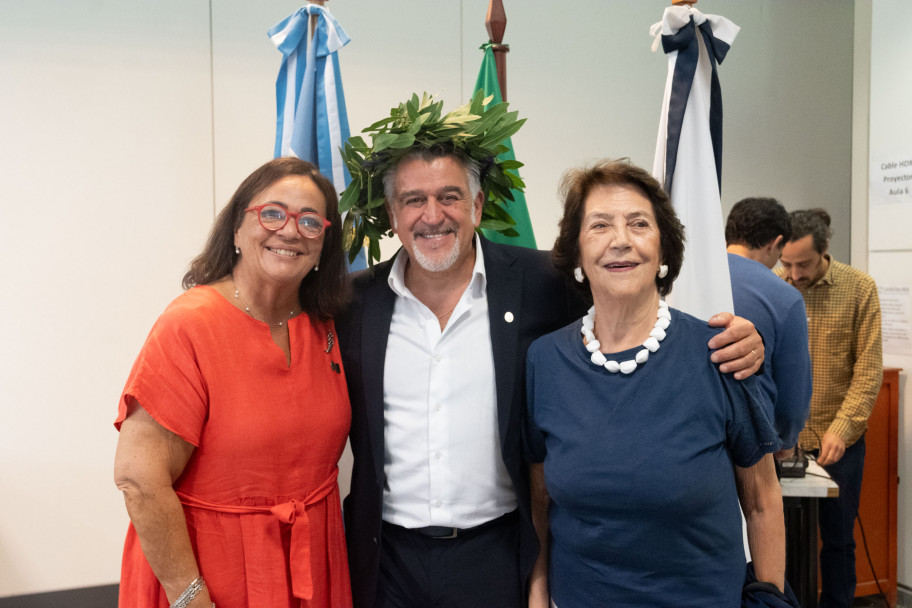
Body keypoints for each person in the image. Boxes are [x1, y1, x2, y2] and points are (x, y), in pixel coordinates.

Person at [336, 95, 766, 608]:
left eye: (450, 196)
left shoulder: (542, 283)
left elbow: (627, 308)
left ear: (476, 206)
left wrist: (741, 337)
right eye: (412, 200)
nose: (433, 215)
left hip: (498, 555)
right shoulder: (353, 304)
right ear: (391, 212)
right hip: (386, 561)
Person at [526, 159, 787, 607]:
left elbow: (762, 499)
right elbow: (540, 501)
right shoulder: (544, 361)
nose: (620, 240)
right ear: (577, 255)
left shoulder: (720, 352)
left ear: (664, 252)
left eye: (639, 224)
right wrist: (537, 595)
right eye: (600, 226)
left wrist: (772, 599)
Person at [113, 157, 353, 608]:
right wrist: (190, 596)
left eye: (309, 221)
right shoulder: (190, 325)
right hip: (208, 575)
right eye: (272, 213)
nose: (289, 230)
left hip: (313, 563)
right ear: (238, 230)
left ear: (324, 244)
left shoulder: (324, 324)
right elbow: (139, 479)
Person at [777, 208, 883, 608]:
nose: (793, 273)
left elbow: (868, 370)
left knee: (838, 541)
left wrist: (843, 428)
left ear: (824, 252)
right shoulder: (776, 285)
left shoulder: (859, 289)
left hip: (838, 442)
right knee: (779, 540)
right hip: (783, 440)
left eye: (802, 264)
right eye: (785, 262)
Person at [725, 197, 811, 457]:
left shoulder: (677, 280)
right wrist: (786, 439)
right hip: (753, 448)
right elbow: (791, 400)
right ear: (775, 243)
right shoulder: (784, 297)